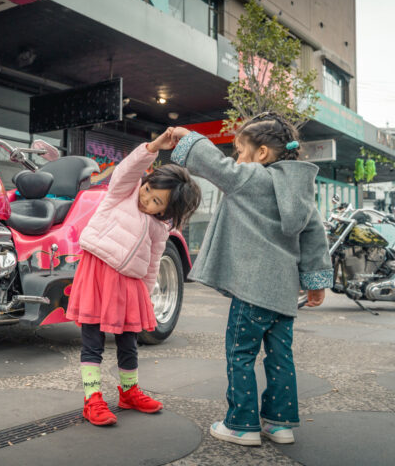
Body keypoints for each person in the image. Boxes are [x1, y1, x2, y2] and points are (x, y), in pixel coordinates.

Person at [170, 113, 332, 446]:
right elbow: (315, 234)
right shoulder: (302, 191)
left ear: (261, 153)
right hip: (284, 293)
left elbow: (216, 166)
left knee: (240, 354)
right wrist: (316, 282)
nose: (237, 159)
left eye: (241, 150)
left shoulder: (252, 177)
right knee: (280, 357)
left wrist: (189, 137)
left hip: (252, 290)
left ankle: (242, 424)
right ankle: (280, 423)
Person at [67, 128, 201, 426]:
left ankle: (129, 392)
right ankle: (92, 398)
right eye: (148, 189)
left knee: (128, 341)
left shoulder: (160, 228)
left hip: (129, 284)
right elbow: (127, 170)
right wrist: (153, 146)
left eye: (156, 202)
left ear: (168, 212)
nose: (146, 199)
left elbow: (153, 263)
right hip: (97, 273)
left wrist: (146, 295)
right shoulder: (123, 193)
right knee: (92, 340)